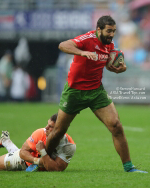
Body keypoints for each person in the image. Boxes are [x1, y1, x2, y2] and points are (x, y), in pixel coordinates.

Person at [45, 15, 147, 173]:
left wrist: (121, 67)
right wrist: (82, 52)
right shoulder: (87, 39)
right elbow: (63, 45)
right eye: (109, 31)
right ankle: (41, 159)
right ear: (98, 30)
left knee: (116, 126)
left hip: (96, 91)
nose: (112, 34)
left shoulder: (109, 44)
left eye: (114, 31)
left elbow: (110, 63)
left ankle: (129, 168)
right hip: (74, 91)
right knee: (58, 131)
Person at [0, 113, 76, 172]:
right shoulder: (40, 133)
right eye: (47, 124)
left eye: (50, 127)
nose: (46, 128)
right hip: (23, 161)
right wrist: (38, 161)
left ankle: (5, 141)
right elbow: (23, 152)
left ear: (59, 129)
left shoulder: (69, 146)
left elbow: (56, 169)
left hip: (35, 162)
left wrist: (43, 153)